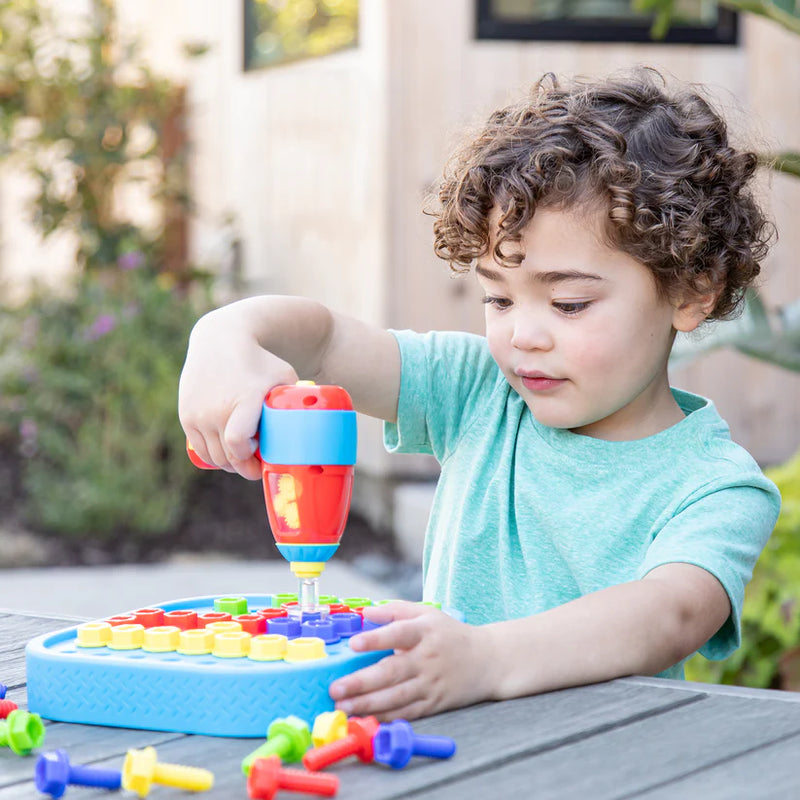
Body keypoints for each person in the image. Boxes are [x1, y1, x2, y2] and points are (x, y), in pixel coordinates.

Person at [179, 69, 781, 722]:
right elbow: (321, 344)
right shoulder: (476, 393)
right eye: (498, 297)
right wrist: (227, 334)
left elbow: (669, 612)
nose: (522, 335)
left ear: (694, 290)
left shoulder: (713, 485)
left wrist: (486, 659)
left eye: (568, 303)